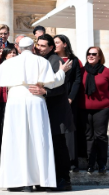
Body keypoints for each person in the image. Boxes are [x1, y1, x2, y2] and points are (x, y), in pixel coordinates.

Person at [0, 37, 72, 192]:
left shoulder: (9, 62)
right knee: (38, 139)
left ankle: (21, 182)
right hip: (36, 100)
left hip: (15, 101)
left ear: (18, 47)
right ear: (33, 47)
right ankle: (41, 180)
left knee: (16, 140)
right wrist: (62, 72)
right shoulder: (41, 61)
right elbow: (54, 82)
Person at [33, 34, 75, 191]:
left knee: (58, 146)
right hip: (45, 111)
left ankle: (64, 179)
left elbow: (60, 87)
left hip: (56, 112)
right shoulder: (40, 59)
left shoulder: (55, 61)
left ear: (51, 47)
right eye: (39, 44)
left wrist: (44, 91)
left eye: (43, 46)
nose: (39, 47)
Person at [79, 46, 109, 174]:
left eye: (94, 54)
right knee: (89, 136)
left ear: (100, 56)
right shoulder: (82, 71)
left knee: (100, 136)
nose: (91, 56)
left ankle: (102, 164)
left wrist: (102, 100)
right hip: (84, 108)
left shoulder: (107, 72)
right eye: (89, 54)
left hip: (102, 108)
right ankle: (90, 164)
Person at [54, 34, 82, 172]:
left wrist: (71, 97)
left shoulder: (74, 60)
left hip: (70, 99)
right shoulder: (51, 59)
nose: (55, 45)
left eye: (57, 42)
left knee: (70, 130)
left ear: (65, 44)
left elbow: (77, 80)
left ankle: (72, 161)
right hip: (53, 98)